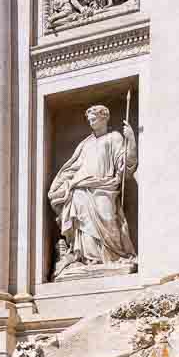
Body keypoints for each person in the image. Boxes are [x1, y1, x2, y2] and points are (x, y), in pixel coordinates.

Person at [49, 104, 138, 275]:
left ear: (104, 117)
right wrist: (63, 184)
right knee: (83, 225)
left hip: (105, 187)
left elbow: (125, 165)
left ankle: (113, 257)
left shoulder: (114, 138)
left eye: (94, 118)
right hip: (80, 189)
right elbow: (72, 167)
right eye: (89, 119)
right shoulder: (85, 144)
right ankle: (88, 259)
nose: (91, 122)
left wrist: (131, 140)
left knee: (109, 219)